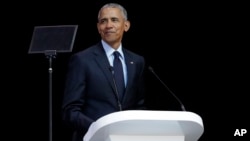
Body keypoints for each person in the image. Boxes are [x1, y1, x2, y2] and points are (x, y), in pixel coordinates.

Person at [62, 3, 146, 141]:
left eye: (114, 20)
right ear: (98, 27)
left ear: (126, 25)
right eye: (103, 21)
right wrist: (99, 129)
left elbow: (139, 106)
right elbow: (70, 111)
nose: (108, 25)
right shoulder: (82, 60)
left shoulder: (137, 61)